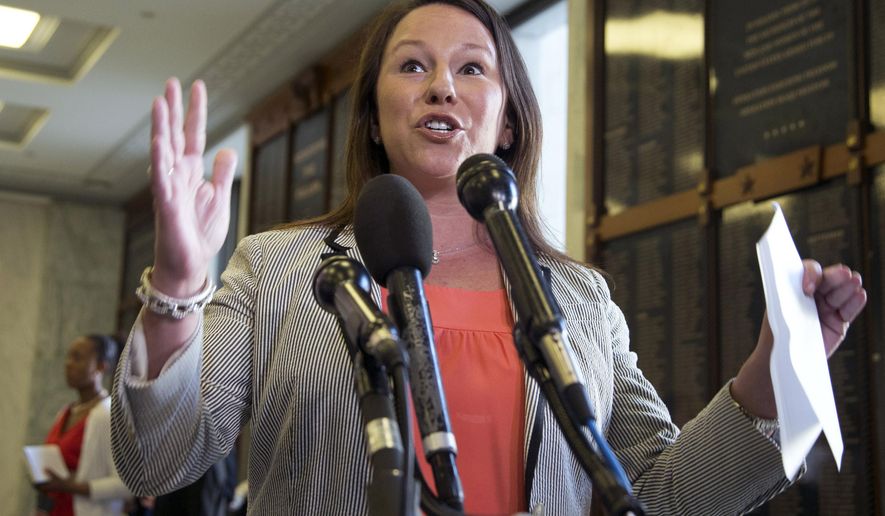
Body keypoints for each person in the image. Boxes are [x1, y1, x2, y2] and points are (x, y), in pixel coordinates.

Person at [110, 0, 868, 514]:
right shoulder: (277, 267)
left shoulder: (576, 297)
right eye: (411, 67)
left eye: (472, 68)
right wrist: (177, 284)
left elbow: (663, 494)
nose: (441, 85)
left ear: (507, 121)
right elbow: (157, 461)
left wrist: (773, 370)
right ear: (373, 117)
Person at [37, 335, 132, 516]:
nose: (68, 364)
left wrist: (71, 487)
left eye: (77, 358)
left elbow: (126, 485)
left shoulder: (108, 415)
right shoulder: (67, 412)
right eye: (68, 357)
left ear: (100, 367)